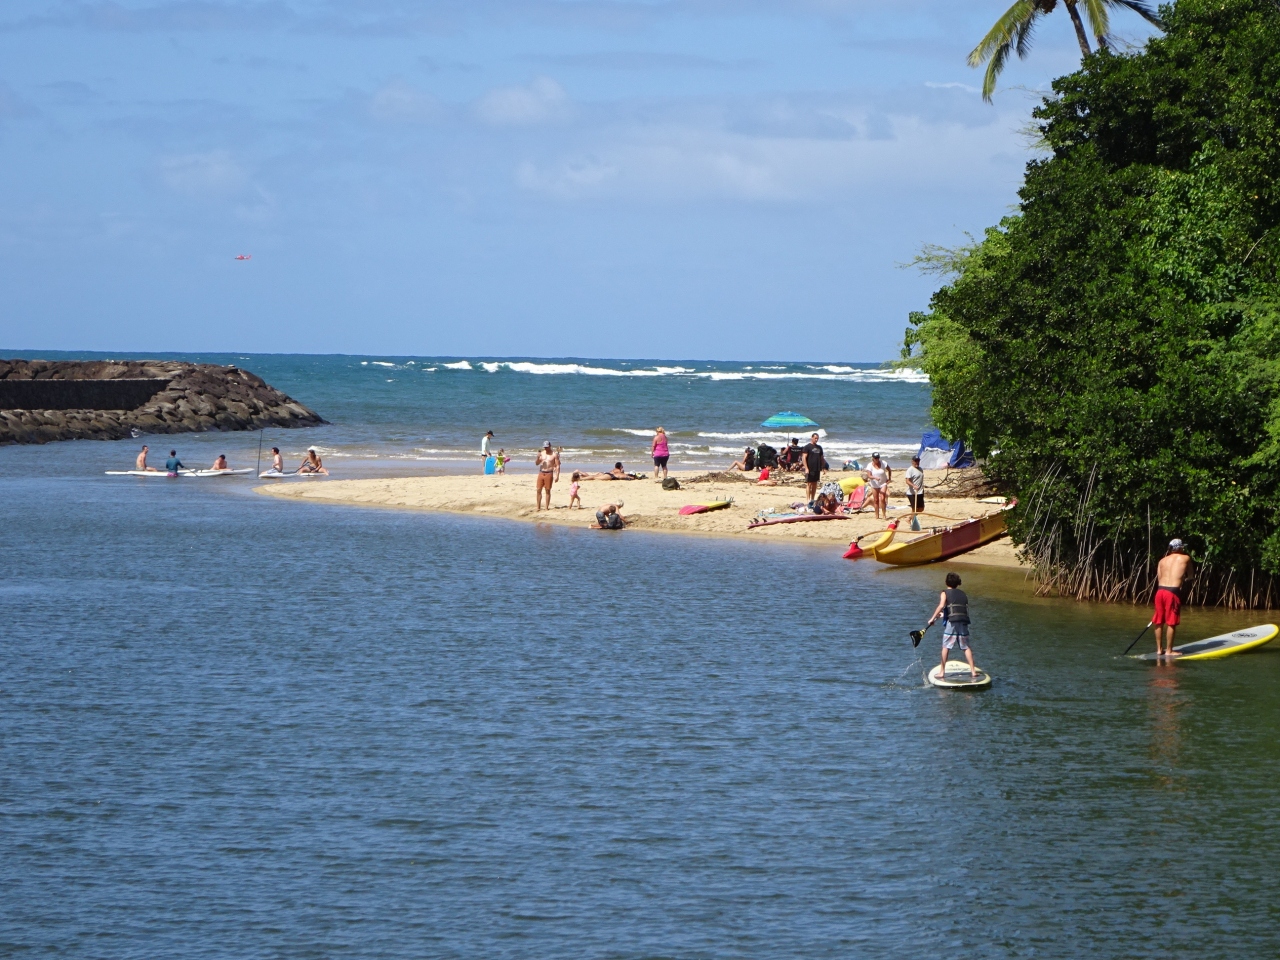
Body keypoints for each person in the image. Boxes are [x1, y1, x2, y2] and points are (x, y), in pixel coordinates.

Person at [926, 572, 977, 680]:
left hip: (952, 623)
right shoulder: (963, 593)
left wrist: (932, 618)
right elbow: (957, 608)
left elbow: (941, 606)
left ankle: (941, 672)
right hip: (963, 622)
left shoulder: (944, 592)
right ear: (957, 583)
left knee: (946, 646)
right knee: (966, 647)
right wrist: (943, 615)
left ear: (946, 582)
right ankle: (973, 672)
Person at [1153, 539, 1193, 658]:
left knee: (1159, 621)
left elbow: (1159, 578)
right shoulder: (1185, 558)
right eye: (1182, 547)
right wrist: (1186, 579)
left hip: (1160, 592)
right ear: (1179, 548)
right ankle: (1169, 650)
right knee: (1171, 622)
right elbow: (1190, 575)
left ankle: (1159, 649)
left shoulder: (1161, 561)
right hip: (1172, 592)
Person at [864, 453, 892, 520]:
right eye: (875, 458)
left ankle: (884, 515)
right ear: (873, 458)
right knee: (876, 500)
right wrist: (875, 478)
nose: (877, 459)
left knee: (882, 498)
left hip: (883, 483)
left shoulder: (883, 463)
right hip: (874, 484)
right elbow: (869, 475)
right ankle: (877, 515)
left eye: (878, 458)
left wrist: (889, 478)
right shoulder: (869, 465)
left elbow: (889, 470)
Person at [535, 441, 560, 511]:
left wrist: (557, 475)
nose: (546, 448)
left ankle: (546, 507)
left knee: (547, 490)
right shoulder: (542, 453)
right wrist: (538, 458)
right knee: (538, 489)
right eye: (545, 447)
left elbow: (557, 466)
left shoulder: (554, 454)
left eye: (547, 447)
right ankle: (538, 507)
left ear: (550, 446)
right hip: (541, 472)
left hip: (549, 473)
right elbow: (537, 463)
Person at [801, 432, 825, 503]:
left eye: (817, 438)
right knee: (809, 484)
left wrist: (824, 467)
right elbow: (803, 458)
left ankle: (812, 499)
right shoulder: (807, 447)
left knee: (815, 483)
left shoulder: (819, 447)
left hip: (817, 468)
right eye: (815, 438)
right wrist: (806, 468)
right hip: (810, 468)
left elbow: (822, 458)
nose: (816, 440)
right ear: (812, 438)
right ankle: (808, 499)